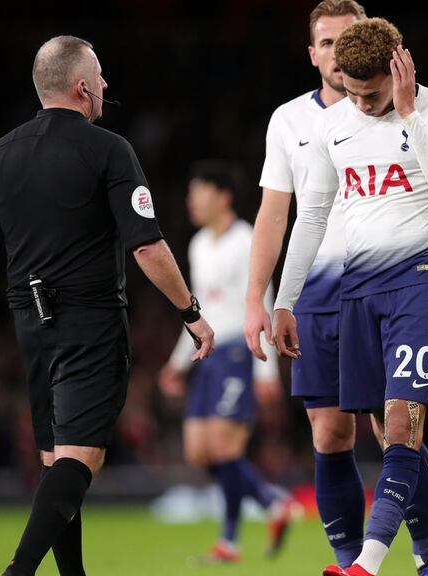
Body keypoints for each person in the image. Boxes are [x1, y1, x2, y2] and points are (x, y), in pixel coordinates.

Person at [0, 36, 215, 576]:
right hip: (89, 318)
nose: (105, 85)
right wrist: (190, 312)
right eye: (99, 76)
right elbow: (146, 246)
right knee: (80, 459)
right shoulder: (108, 150)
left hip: (29, 322)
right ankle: (17, 571)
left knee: (56, 459)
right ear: (81, 87)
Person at [269, 17, 428, 576]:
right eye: (352, 92)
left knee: (402, 424)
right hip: (357, 291)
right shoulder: (332, 125)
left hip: (420, 282)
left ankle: (366, 565)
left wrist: (407, 113)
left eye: (372, 93)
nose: (360, 103)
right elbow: (311, 217)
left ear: (399, 67)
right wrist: (284, 299)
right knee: (385, 432)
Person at [157, 160, 291, 563]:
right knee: (199, 452)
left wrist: (266, 369)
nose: (191, 200)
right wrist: (178, 362)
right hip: (208, 354)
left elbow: (263, 300)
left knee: (224, 446)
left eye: (199, 192)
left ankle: (229, 542)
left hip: (238, 353)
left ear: (223, 196)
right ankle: (271, 503)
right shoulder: (198, 245)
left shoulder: (247, 239)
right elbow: (196, 311)